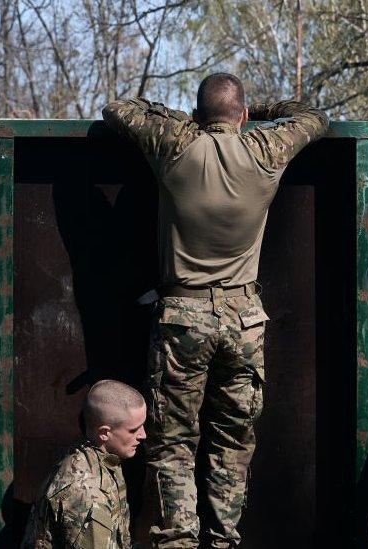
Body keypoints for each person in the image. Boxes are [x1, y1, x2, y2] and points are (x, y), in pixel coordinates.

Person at [102, 74, 329, 548]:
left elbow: (118, 109)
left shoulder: (177, 144)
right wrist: (258, 111)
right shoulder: (266, 148)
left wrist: (188, 119)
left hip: (182, 317)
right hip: (245, 320)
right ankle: (225, 541)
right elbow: (314, 118)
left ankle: (178, 544)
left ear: (200, 114)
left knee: (172, 444)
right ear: (242, 114)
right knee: (233, 444)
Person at [23, 380, 147, 549]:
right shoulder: (85, 493)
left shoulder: (104, 457)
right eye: (133, 430)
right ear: (105, 433)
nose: (143, 435)